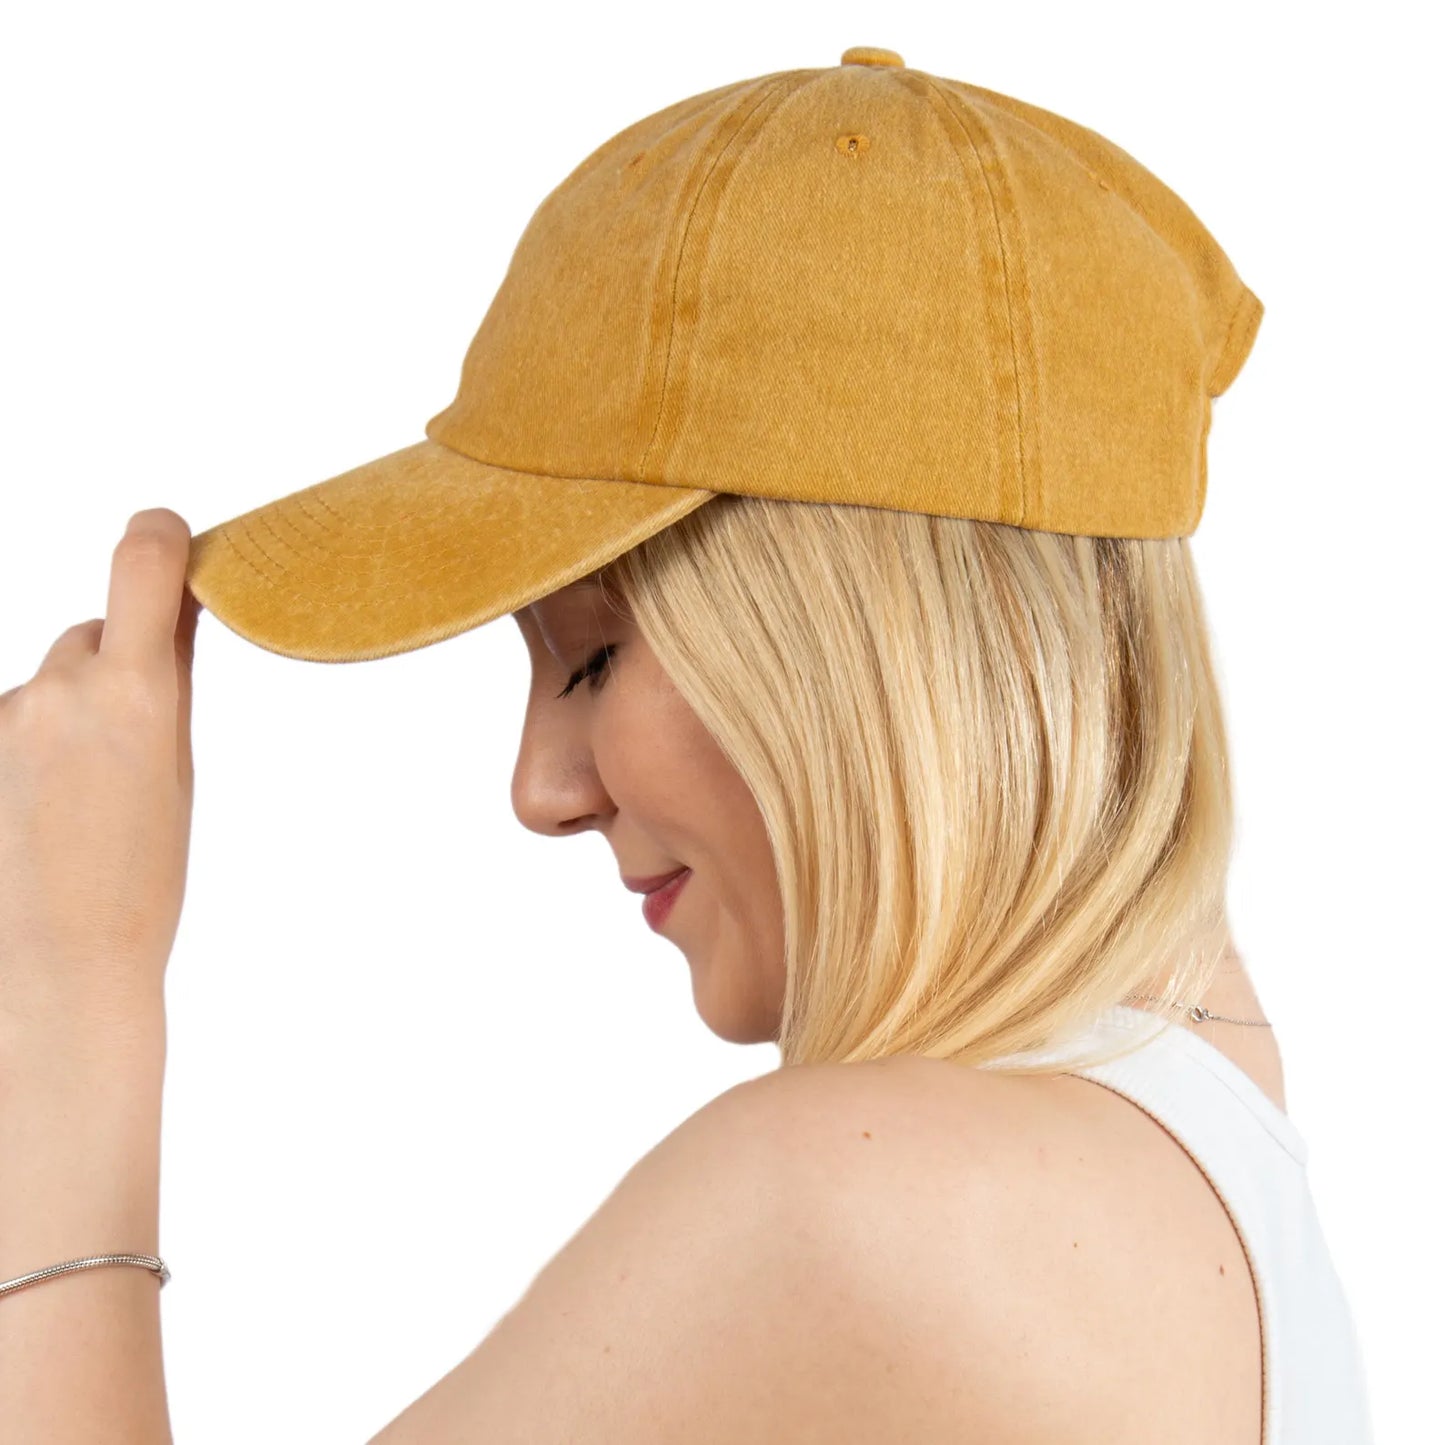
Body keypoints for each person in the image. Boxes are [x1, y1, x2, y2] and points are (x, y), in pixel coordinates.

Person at [0, 45, 1372, 1445]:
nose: (540, 789)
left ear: (873, 644)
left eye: (595, 655)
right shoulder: (1207, 1081)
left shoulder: (850, 1205)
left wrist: (65, 985)